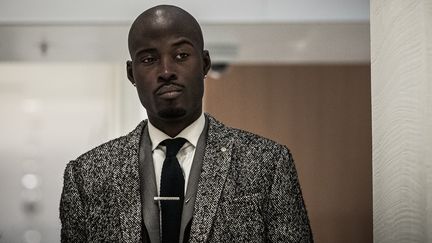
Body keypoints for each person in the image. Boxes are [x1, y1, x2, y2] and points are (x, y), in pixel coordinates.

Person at [60, 4, 313, 243]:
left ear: (204, 64)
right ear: (131, 74)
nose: (166, 71)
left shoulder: (266, 163)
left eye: (181, 55)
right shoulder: (86, 176)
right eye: (149, 59)